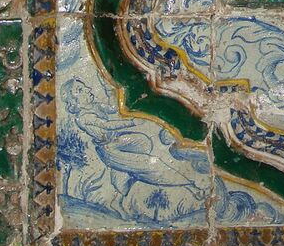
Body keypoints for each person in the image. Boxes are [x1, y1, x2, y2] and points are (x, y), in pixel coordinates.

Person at [60, 78, 206, 208]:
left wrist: (107, 87)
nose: (87, 89)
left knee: (143, 143)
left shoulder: (95, 105)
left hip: (118, 142)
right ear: (74, 101)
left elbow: (112, 108)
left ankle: (127, 179)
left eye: (84, 86)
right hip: (109, 149)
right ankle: (190, 185)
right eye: (80, 90)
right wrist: (131, 122)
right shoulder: (84, 117)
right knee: (151, 165)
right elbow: (106, 125)